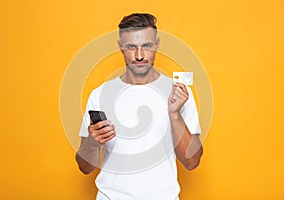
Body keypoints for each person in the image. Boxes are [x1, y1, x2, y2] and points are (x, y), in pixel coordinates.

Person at [75, 13, 203, 200]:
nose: (140, 56)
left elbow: (192, 162)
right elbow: (84, 167)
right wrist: (92, 143)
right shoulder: (100, 94)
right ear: (120, 47)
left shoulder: (179, 94)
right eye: (131, 47)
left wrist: (174, 115)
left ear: (157, 44)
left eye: (147, 46)